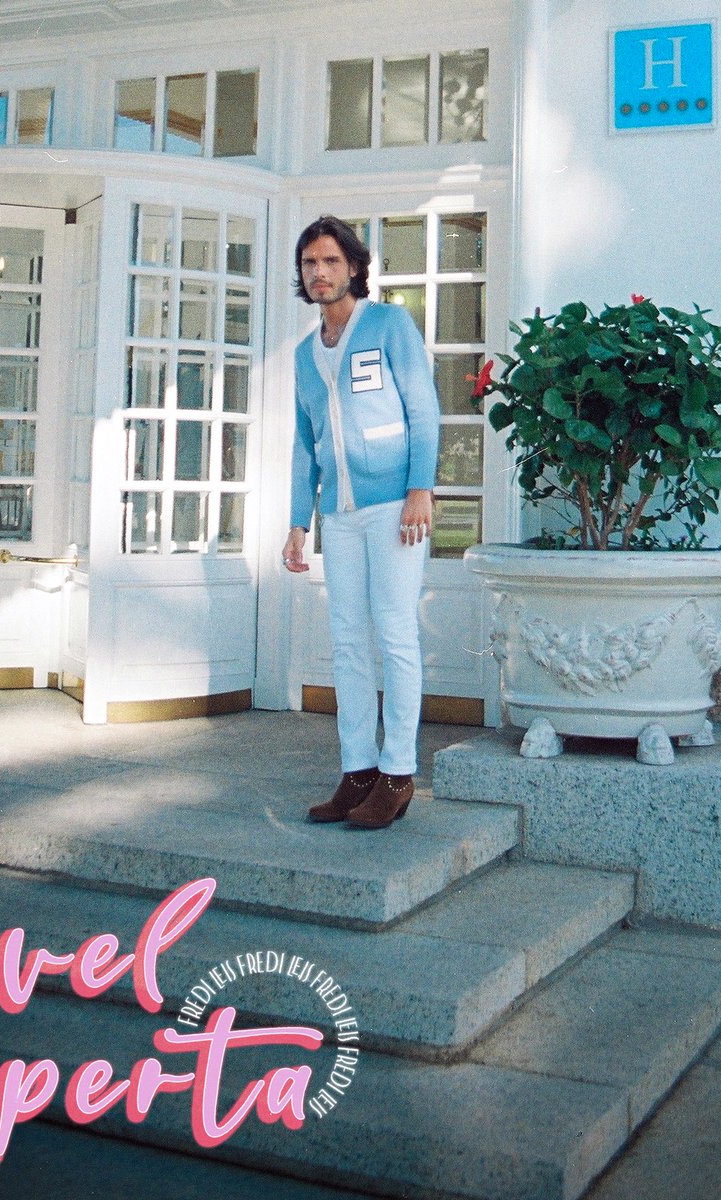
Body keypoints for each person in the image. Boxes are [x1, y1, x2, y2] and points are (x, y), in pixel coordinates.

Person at [282, 216, 440, 830]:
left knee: (395, 633)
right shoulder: (305, 355)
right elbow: (305, 444)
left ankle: (398, 774)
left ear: (353, 267)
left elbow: (423, 409)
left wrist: (420, 489)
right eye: (309, 263)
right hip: (339, 515)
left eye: (330, 261)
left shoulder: (389, 325)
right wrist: (299, 522)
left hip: (395, 506)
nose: (319, 272)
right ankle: (358, 770)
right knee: (347, 641)